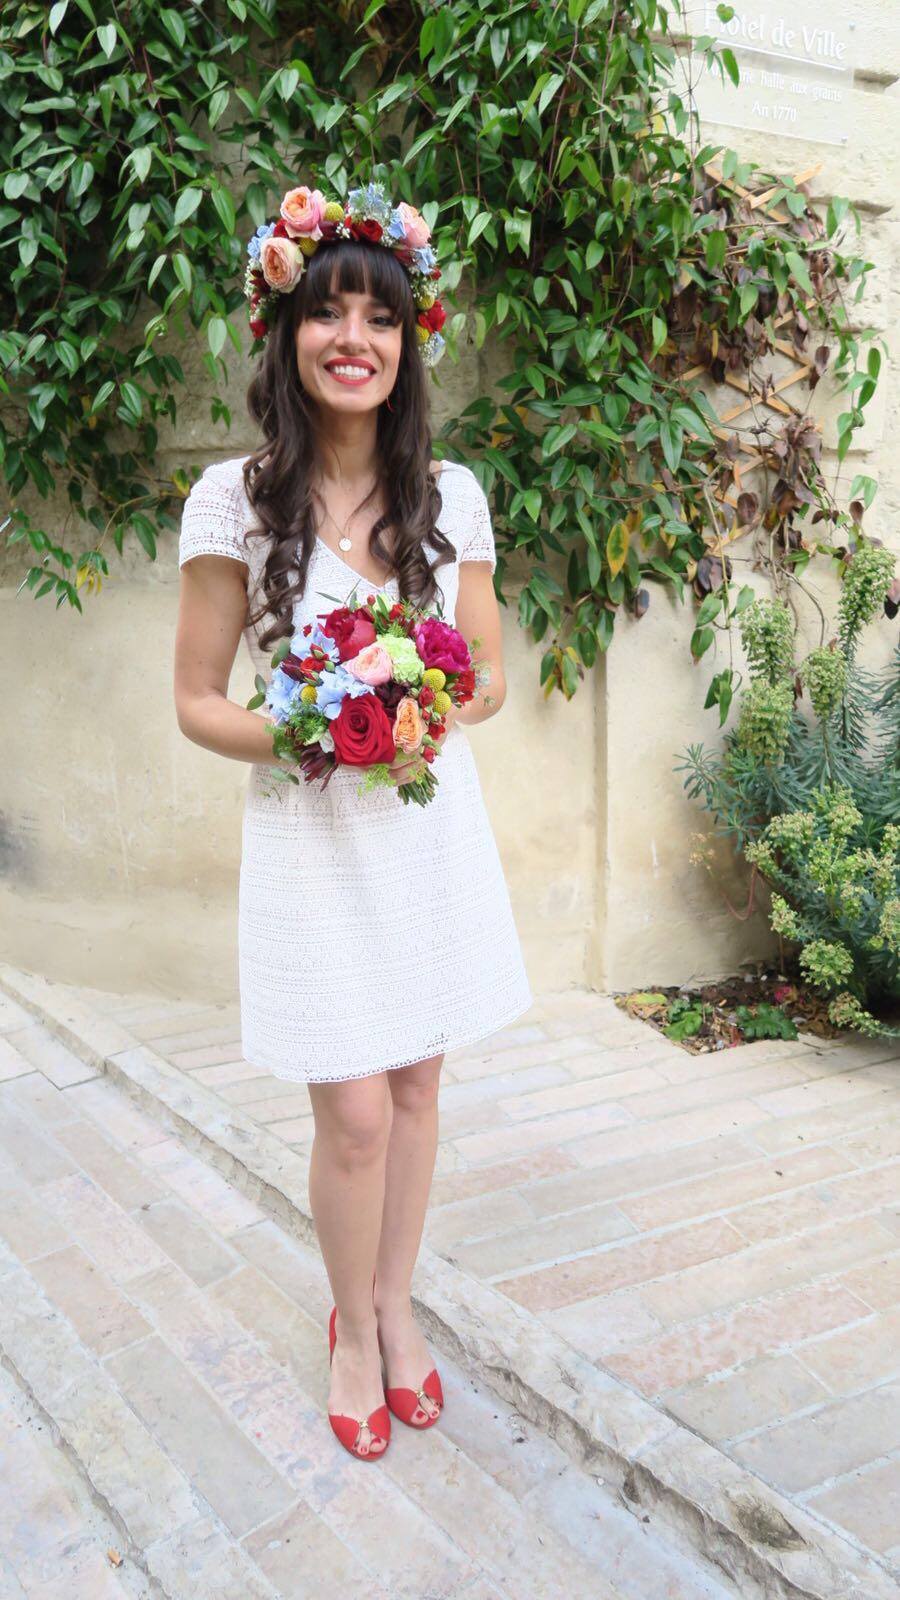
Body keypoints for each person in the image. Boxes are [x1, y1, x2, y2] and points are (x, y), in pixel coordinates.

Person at [173, 180, 533, 1461]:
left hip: (426, 831)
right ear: (287, 330)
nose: (355, 340)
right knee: (359, 1112)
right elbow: (196, 704)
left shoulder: (454, 493)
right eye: (329, 311)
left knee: (423, 1085)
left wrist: (436, 703)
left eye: (380, 318)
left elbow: (488, 677)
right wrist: (316, 729)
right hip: (311, 836)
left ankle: (391, 1305)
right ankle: (347, 1325)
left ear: (405, 342)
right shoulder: (233, 499)